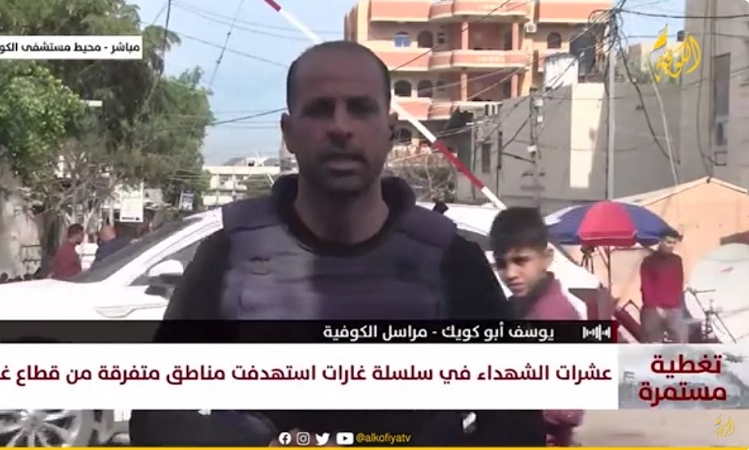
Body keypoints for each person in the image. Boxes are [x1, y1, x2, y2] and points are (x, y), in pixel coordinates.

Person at [130, 41, 545, 447]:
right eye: (319, 109)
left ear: (390, 130)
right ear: (289, 133)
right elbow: (155, 418)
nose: (341, 127)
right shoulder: (226, 258)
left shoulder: (452, 263)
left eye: (361, 108)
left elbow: (517, 425)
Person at [489, 207, 583, 446]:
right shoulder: (516, 308)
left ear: (547, 258)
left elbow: (568, 408)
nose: (510, 273)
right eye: (501, 263)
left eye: (521, 260)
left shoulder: (555, 315)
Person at [639, 229, 686, 343]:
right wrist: (655, 307)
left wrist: (678, 305)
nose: (671, 246)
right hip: (653, 310)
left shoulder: (677, 261)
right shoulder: (649, 261)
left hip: (674, 309)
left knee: (680, 343)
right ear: (660, 241)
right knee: (653, 344)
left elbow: (679, 283)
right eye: (668, 242)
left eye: (674, 243)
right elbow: (646, 286)